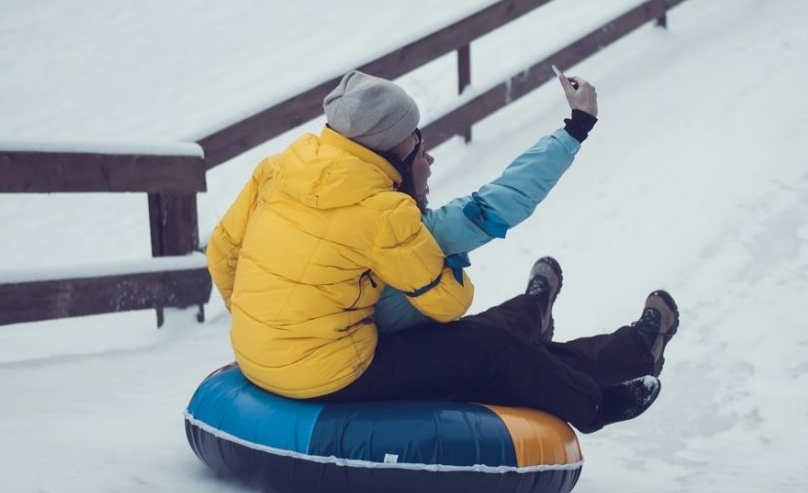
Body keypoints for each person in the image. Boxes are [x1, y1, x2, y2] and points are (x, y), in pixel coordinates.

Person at [208, 70, 679, 434]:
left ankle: (535, 308)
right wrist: (578, 126)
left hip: (263, 352)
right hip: (332, 372)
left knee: (472, 339)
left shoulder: (278, 169)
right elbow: (450, 303)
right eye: (418, 138)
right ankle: (596, 401)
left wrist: (267, 322)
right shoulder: (386, 213)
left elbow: (222, 254)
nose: (425, 152)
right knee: (489, 349)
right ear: (394, 145)